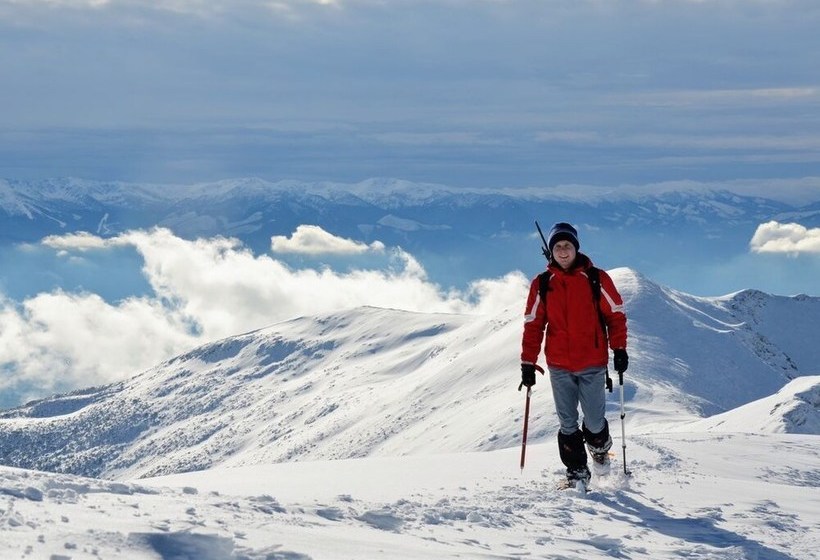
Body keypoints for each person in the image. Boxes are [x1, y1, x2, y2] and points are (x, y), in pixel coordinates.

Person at [519, 222, 628, 486]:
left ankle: (600, 449)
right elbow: (533, 324)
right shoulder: (542, 284)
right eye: (557, 246)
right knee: (567, 423)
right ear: (551, 251)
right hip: (559, 365)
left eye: (567, 245)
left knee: (594, 422)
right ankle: (577, 472)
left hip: (592, 362)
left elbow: (615, 315)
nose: (563, 251)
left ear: (576, 248)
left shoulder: (596, 279)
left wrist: (619, 349)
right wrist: (527, 363)